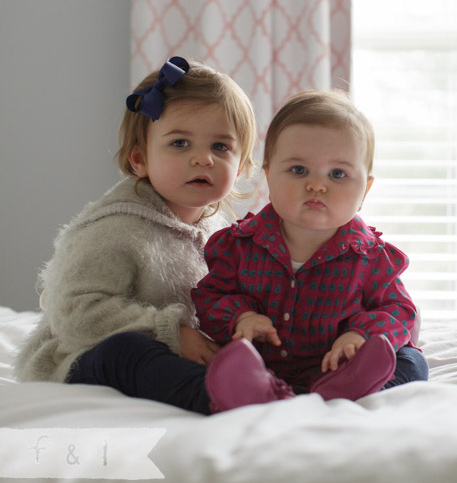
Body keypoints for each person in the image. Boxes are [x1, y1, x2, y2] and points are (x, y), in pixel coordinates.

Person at [14, 56, 294, 414]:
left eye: (220, 147)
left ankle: (296, 380)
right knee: (128, 351)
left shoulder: (224, 234)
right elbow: (75, 313)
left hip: (179, 352)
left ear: (241, 166)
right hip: (83, 356)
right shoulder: (113, 229)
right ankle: (215, 395)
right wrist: (171, 331)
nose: (203, 159)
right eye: (180, 143)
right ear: (139, 159)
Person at [191, 89, 428, 400]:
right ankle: (257, 390)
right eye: (299, 170)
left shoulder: (373, 258)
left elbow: (400, 311)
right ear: (269, 176)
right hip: (259, 365)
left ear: (365, 189)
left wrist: (361, 334)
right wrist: (241, 316)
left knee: (412, 363)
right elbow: (210, 297)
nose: (317, 184)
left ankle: (345, 387)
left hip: (340, 365)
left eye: (338, 174)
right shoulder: (237, 246)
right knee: (197, 367)